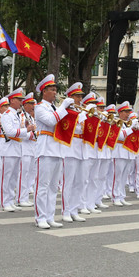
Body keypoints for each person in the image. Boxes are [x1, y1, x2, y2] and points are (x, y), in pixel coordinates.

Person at [33, 74, 74, 229]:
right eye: (52, 89)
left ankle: (50, 216)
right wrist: (64, 107)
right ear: (44, 91)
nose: (55, 92)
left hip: (57, 149)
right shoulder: (39, 107)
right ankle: (40, 217)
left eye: (56, 89)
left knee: (52, 187)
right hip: (45, 149)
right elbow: (51, 121)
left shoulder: (54, 108)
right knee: (42, 185)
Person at [0, 87, 36, 216]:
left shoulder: (16, 114)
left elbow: (20, 133)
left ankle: (11, 201)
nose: (21, 102)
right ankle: (5, 202)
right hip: (9, 149)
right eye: (19, 100)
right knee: (7, 177)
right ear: (12, 100)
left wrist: (28, 132)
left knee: (14, 177)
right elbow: (9, 132)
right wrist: (27, 130)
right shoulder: (7, 115)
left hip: (17, 149)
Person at [60, 82, 87, 221]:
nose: (79, 99)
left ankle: (74, 209)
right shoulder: (65, 111)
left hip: (82, 149)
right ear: (70, 97)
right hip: (69, 149)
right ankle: (65, 211)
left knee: (80, 181)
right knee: (68, 182)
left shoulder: (83, 112)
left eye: (80, 96)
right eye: (77, 96)